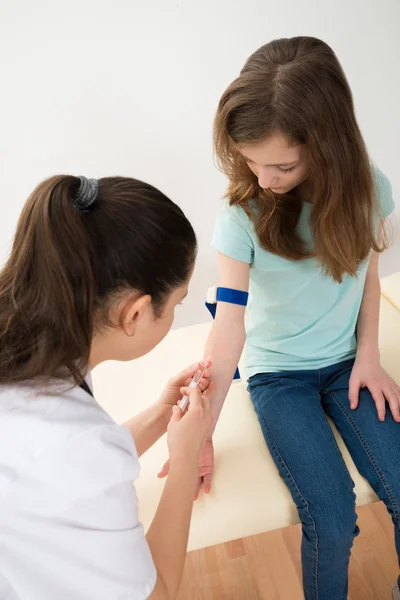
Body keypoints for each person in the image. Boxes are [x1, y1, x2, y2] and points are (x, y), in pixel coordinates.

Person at [187, 37, 399, 599]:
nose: (263, 179)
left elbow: (368, 280)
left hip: (347, 361)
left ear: (328, 144)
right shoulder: (242, 212)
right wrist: (200, 434)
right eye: (250, 161)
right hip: (278, 376)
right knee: (330, 519)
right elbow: (229, 325)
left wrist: (370, 358)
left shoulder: (371, 192)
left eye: (281, 164)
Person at [0, 174, 213, 600]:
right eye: (176, 304)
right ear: (135, 314)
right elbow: (158, 591)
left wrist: (161, 414)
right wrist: (185, 457)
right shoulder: (70, 443)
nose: (176, 314)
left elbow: (64, 473)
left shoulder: (35, 347)